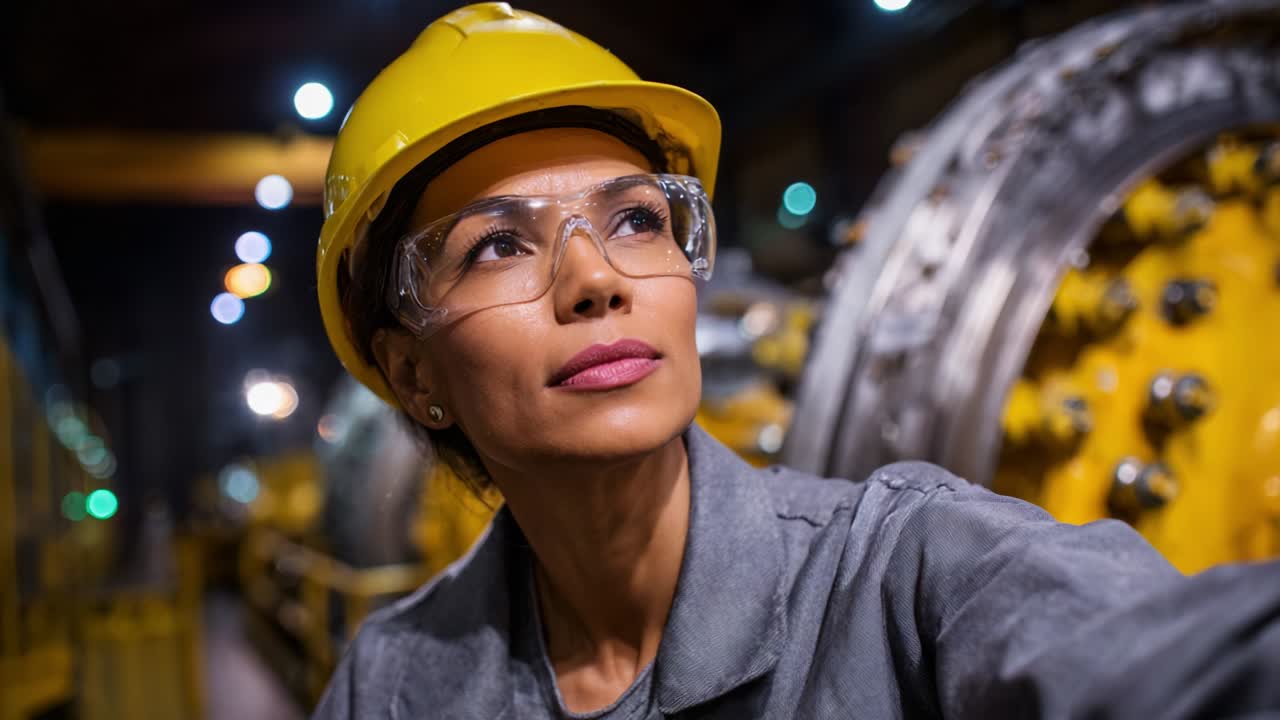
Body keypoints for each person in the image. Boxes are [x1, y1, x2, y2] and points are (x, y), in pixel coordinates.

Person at [311, 4, 1280, 718]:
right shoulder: (391, 685)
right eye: (497, 245)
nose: (595, 282)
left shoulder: (903, 581)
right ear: (412, 376)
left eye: (637, 221)